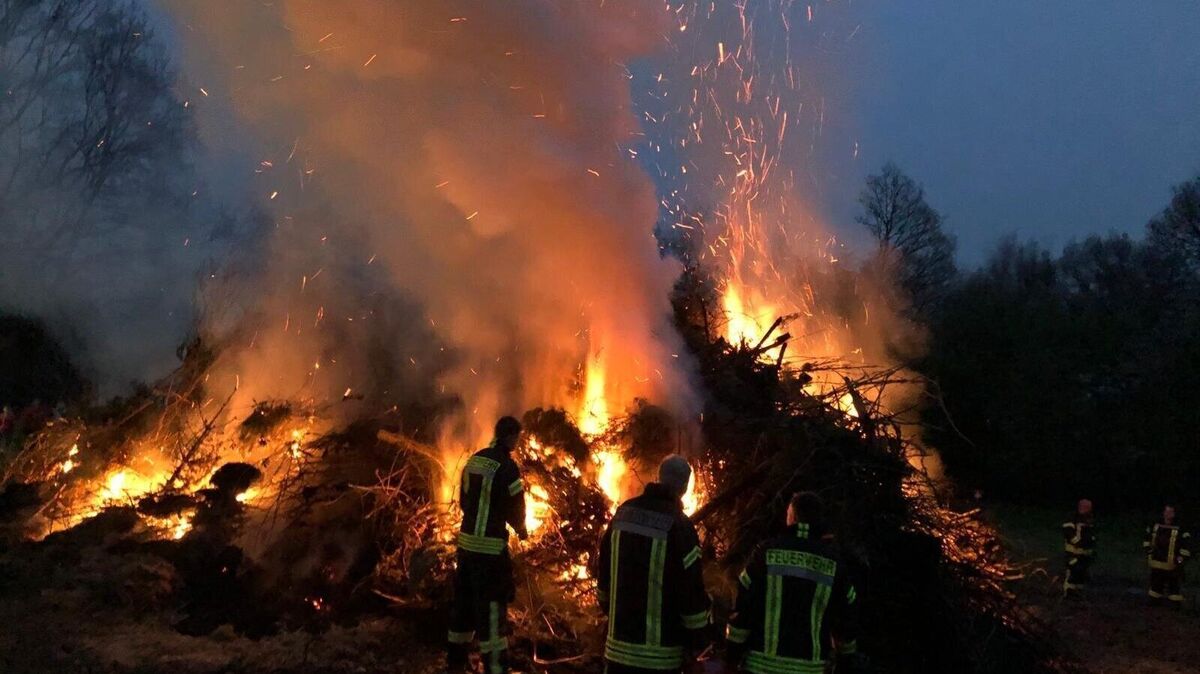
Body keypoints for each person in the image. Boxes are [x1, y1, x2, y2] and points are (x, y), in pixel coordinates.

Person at [597, 455, 711, 673]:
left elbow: (603, 580)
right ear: (685, 487)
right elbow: (691, 597)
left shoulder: (622, 514)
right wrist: (700, 642)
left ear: (658, 477)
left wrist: (613, 616)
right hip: (660, 659)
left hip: (616, 653)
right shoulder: (681, 527)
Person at [725, 491, 862, 674]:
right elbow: (846, 619)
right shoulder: (834, 563)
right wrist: (845, 662)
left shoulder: (766, 554)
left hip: (760, 667)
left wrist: (731, 658)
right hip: (810, 669)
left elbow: (743, 610)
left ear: (792, 517)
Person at [446, 416, 528, 674]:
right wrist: (521, 530)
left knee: (463, 604)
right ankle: (494, 668)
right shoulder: (508, 468)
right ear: (511, 437)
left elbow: (463, 501)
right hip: (491, 552)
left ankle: (455, 664)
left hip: (467, 546)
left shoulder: (474, 460)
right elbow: (517, 508)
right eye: (517, 437)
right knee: (493, 610)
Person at [1144, 504, 1191, 607]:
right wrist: (1148, 551)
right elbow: (1147, 538)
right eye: (1166, 511)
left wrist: (1181, 558)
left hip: (1172, 563)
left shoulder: (1181, 527)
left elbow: (1186, 543)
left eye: (1171, 512)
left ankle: (1175, 603)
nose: (1168, 514)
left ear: (1175, 514)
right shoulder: (1155, 525)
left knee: (1174, 584)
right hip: (1156, 561)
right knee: (1156, 583)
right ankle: (1154, 600)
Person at [1061, 498, 1096, 596]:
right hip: (1073, 553)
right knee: (1073, 571)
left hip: (1085, 554)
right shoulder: (1072, 517)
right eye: (1084, 507)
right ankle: (1068, 593)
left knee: (1082, 574)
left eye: (1088, 507)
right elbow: (1068, 531)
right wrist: (1078, 542)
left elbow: (1091, 535)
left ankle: (1078, 592)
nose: (1086, 509)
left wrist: (1091, 548)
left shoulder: (1089, 519)